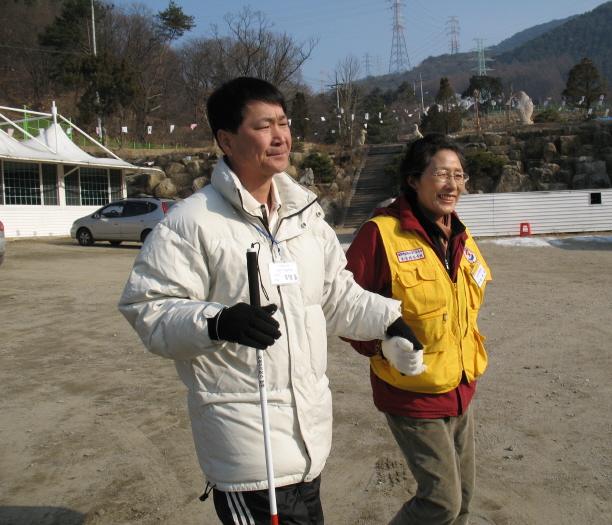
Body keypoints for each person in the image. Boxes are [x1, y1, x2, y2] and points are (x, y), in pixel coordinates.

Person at [118, 77, 423, 525]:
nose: (281, 136)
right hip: (248, 447)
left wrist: (388, 321)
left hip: (308, 440)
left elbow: (335, 292)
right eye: (264, 125)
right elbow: (148, 308)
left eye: (284, 122)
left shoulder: (306, 216)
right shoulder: (191, 222)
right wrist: (216, 322)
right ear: (226, 139)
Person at [343, 133, 491, 525]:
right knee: (441, 502)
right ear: (413, 179)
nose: (453, 184)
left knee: (463, 500)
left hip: (460, 385)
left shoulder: (459, 234)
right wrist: (380, 345)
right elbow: (342, 307)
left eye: (459, 175)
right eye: (442, 173)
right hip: (412, 392)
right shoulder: (381, 234)